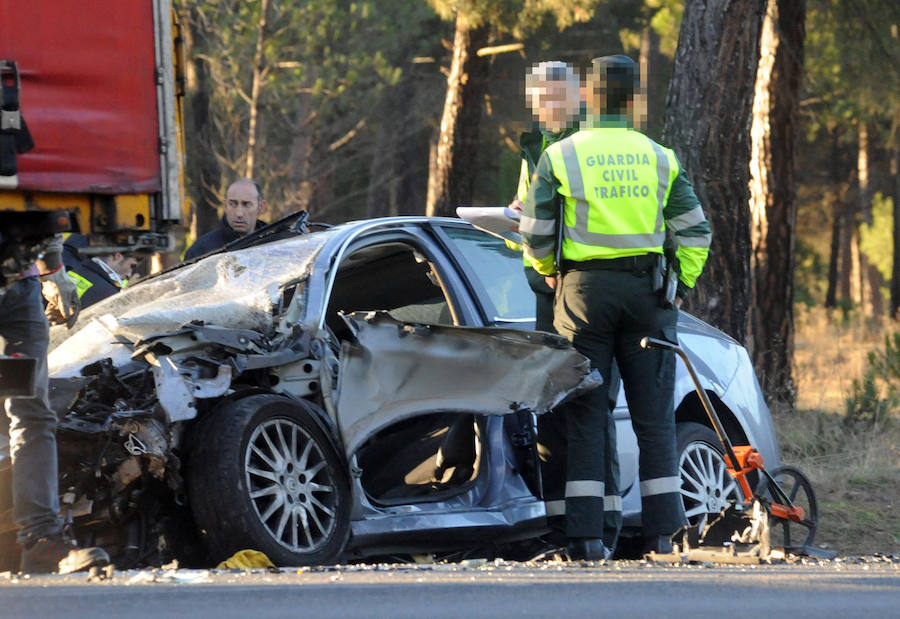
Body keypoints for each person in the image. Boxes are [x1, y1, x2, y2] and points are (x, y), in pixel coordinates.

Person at [521, 55, 711, 559]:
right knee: (655, 422)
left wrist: (546, 270)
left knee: (586, 412)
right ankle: (663, 535)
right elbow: (696, 231)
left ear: (587, 96)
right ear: (632, 100)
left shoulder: (561, 155)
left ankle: (585, 539)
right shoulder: (659, 156)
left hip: (583, 295)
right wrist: (680, 284)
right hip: (649, 296)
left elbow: (536, 233)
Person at [1, 235, 109, 573]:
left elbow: (35, 204)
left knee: (30, 412)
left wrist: (54, 270)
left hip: (19, 294)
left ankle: (42, 541)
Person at [184, 178, 268, 260]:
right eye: (232, 204)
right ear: (225, 206)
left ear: (261, 207)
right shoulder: (202, 250)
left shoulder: (273, 245)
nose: (239, 213)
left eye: (246, 205)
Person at [65, 244, 140, 308]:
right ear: (118, 256)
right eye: (132, 266)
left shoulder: (76, 270)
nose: (129, 275)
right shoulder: (108, 293)